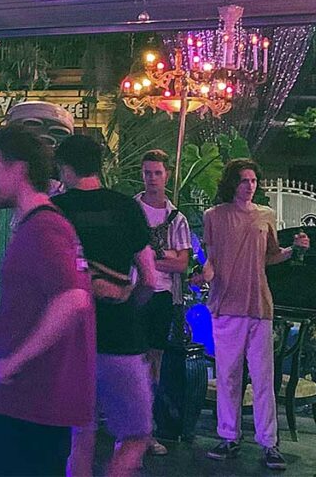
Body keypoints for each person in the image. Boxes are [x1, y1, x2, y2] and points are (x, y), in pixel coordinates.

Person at [0, 125, 95, 477]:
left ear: (18, 169)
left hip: (30, 401)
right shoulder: (41, 224)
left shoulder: (43, 227)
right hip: (29, 401)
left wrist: (14, 361)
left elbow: (73, 300)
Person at [53, 135, 157, 477]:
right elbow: (150, 278)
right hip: (119, 336)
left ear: (65, 168)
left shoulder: (56, 211)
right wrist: (130, 303)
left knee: (81, 431)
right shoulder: (126, 207)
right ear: (99, 166)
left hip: (71, 337)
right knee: (137, 433)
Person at [200, 159, 308, 471]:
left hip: (259, 304)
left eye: (253, 180)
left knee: (263, 377)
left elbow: (271, 256)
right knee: (229, 376)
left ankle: (269, 442)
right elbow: (212, 259)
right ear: (232, 183)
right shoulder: (214, 216)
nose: (250, 186)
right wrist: (202, 274)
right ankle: (228, 436)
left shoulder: (266, 216)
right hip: (226, 304)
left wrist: (294, 250)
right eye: (244, 180)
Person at [135, 149, 191, 456]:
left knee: (153, 364)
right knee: (129, 360)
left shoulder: (177, 218)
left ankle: (148, 429)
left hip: (161, 297)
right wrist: (164, 257)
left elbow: (181, 264)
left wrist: (152, 257)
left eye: (157, 172)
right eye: (148, 173)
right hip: (133, 293)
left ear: (166, 175)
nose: (153, 178)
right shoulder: (131, 209)